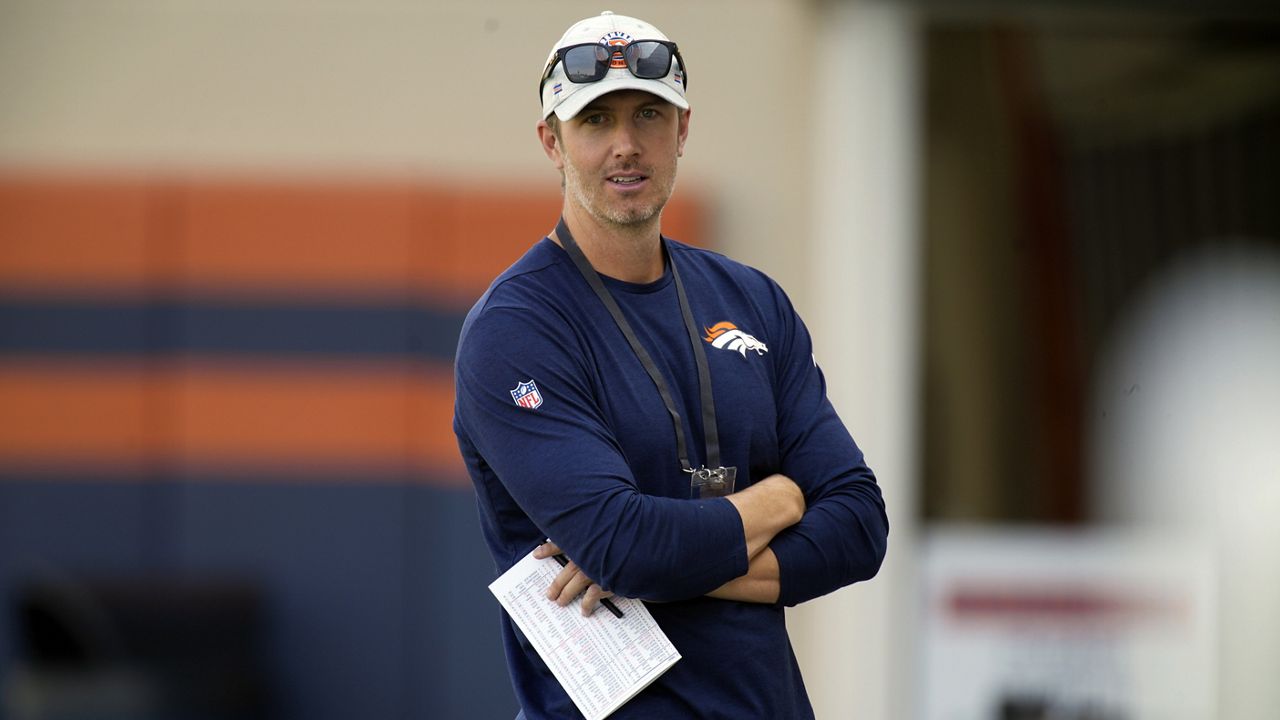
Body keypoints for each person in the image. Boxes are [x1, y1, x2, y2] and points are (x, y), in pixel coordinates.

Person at [453, 11, 889, 719]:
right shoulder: (516, 329)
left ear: (682, 130)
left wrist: (656, 562)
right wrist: (779, 500)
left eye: (649, 115)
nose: (626, 145)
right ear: (552, 142)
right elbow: (623, 545)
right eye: (596, 120)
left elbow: (860, 527)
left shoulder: (752, 300)